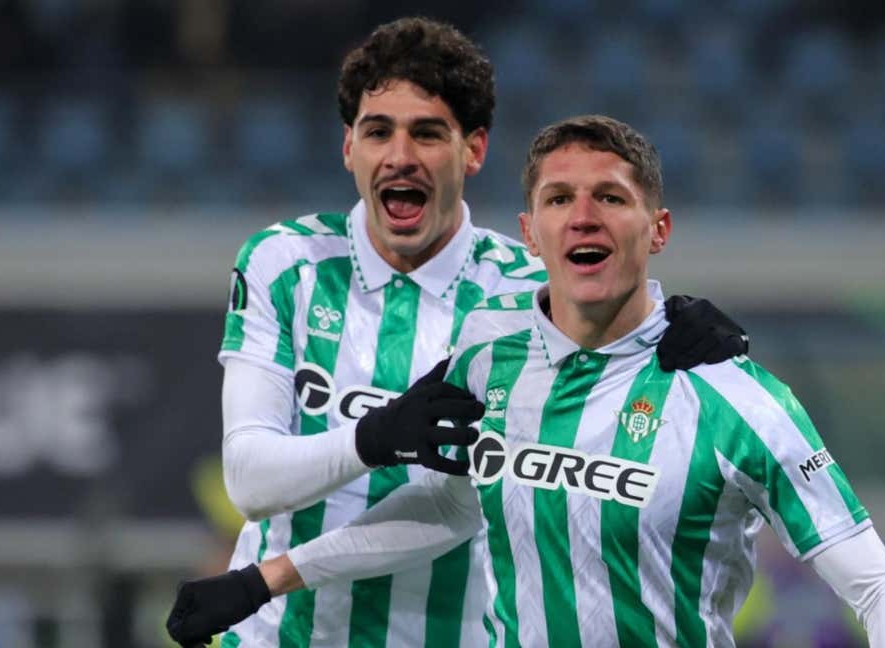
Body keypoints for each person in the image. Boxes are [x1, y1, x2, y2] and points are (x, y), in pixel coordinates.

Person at [169, 115, 885, 646]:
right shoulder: (487, 368)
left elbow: (882, 591)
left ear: (657, 229)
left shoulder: (737, 399)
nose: (584, 218)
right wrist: (262, 581)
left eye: (611, 197)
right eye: (559, 200)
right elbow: (446, 506)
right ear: (530, 233)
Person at [170, 18, 749, 648]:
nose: (400, 155)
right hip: (274, 637)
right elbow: (251, 483)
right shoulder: (284, 264)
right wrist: (375, 437)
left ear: (473, 150)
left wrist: (683, 336)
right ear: (349, 148)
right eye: (378, 131)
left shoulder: (531, 297)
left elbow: (461, 508)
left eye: (426, 133)